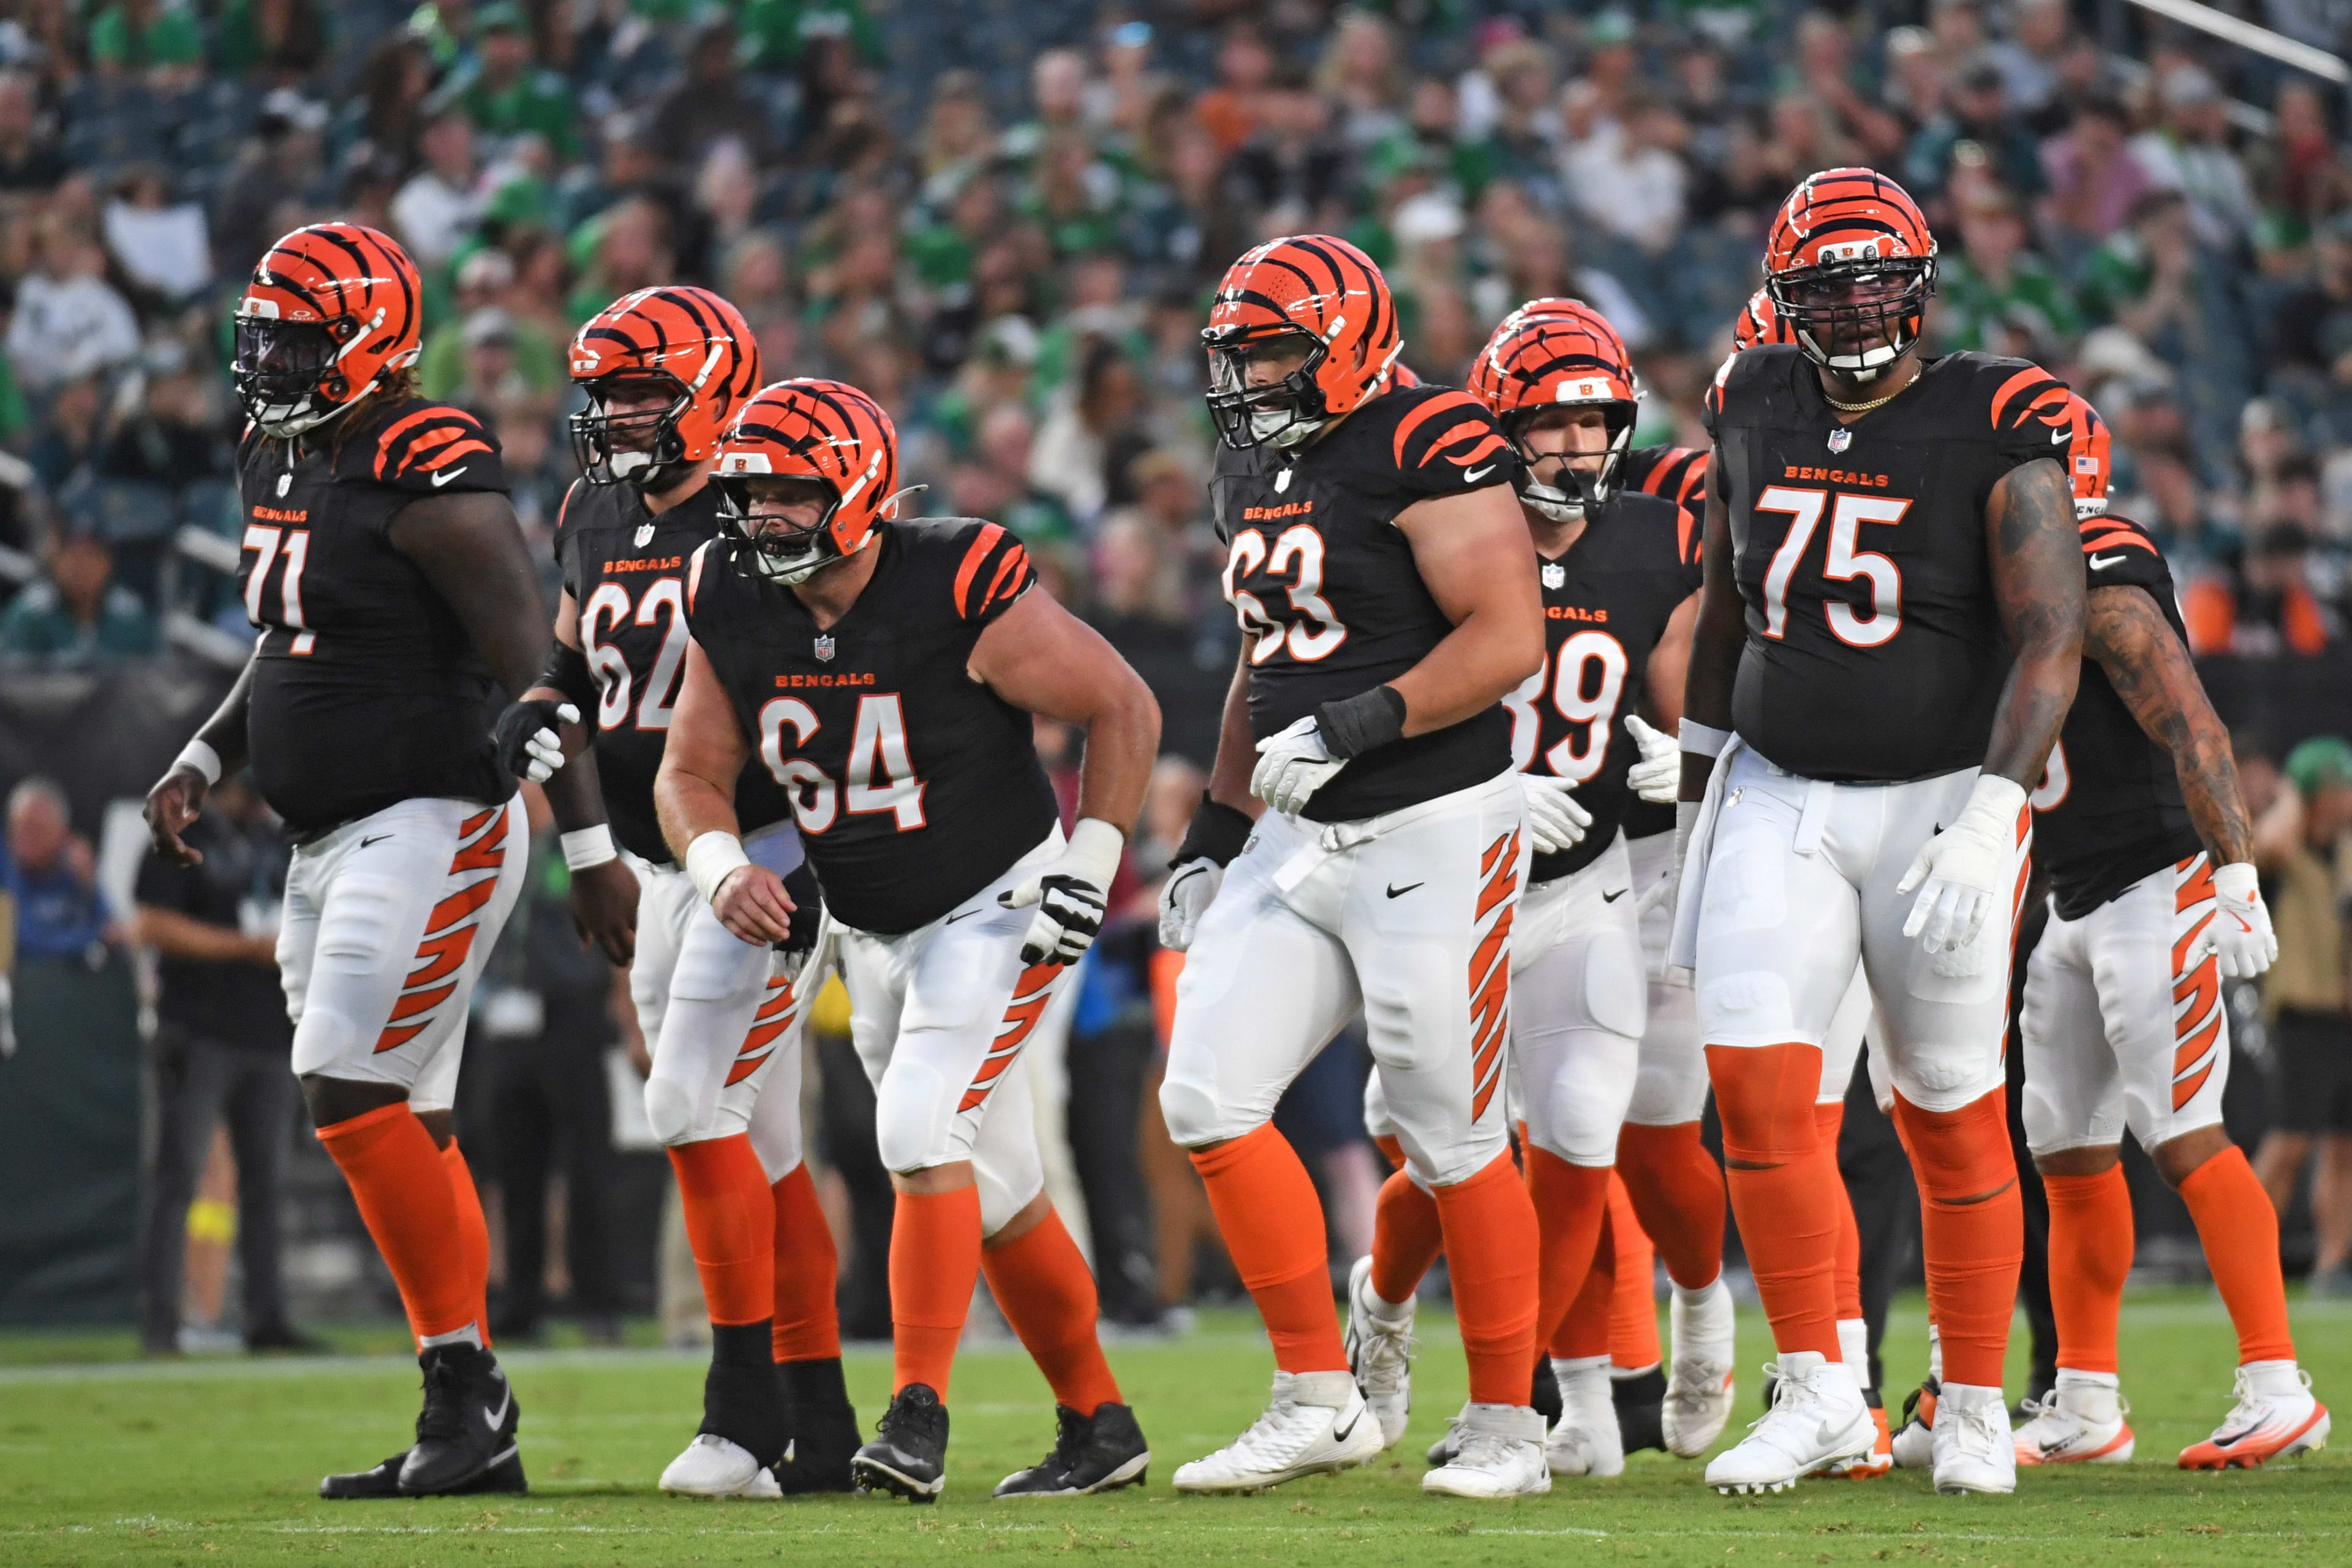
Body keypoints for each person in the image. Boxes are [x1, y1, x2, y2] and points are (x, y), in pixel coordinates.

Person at [658, 377, 1161, 1501]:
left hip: (997, 902)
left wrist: (1091, 860)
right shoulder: (730, 594)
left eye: (789, 492)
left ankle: (916, 1413)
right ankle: (1099, 1423)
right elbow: (690, 770)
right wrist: (721, 865)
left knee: (919, 1129)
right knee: (993, 1184)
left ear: (858, 491)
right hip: (867, 921)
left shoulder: (956, 579)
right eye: (749, 493)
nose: (762, 517)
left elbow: (1121, 703)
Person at [1675, 170, 2084, 1497]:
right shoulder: (1748, 396)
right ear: (1782, 302)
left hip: (1936, 802)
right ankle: (1820, 1389)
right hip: (1779, 784)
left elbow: (2052, 631)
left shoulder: (1993, 413)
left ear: (1921, 286)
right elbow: (1730, 604)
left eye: (1875, 279)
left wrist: (1992, 805)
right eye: (1824, 285)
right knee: (1753, 1088)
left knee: (1951, 1106)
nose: (1854, 307)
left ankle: (1968, 1399)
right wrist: (1694, 778)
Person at [141, 223, 545, 1500]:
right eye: (260, 334)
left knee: (343, 1087)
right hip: (328, 837)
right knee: (403, 1117)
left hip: (436, 813)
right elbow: (285, 635)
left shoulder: (431, 463)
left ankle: (466, 1388)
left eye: (297, 338)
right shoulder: (284, 449)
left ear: (372, 340)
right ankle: (467, 1404)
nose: (268, 358)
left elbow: (542, 671)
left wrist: (592, 849)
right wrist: (208, 752)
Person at [1155, 235, 1550, 1499]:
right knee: (1206, 1098)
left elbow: (1510, 636)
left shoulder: (1429, 436)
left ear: (1351, 341)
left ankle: (1507, 1427)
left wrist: (1363, 718)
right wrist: (1213, 834)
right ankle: (1318, 1396)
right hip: (1294, 830)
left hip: (1433, 821)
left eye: (1276, 350)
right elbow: (1261, 661)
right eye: (1242, 353)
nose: (1253, 375)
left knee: (1449, 1126)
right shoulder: (1253, 462)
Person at [495, 284, 860, 1499]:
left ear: (714, 387)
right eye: (607, 391)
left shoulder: (763, 502)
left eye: (645, 390)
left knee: (687, 1101)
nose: (618, 414)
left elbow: (834, 670)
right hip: (660, 867)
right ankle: (820, 1422)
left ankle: (741, 1412)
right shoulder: (595, 502)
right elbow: (572, 652)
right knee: (766, 1143)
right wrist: (548, 705)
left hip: (761, 856)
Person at [1344, 298, 1705, 1484]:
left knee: (1581, 1140)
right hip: (1449, 890)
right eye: (1545, 423)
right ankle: (1382, 1296)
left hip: (1586, 885)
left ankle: (1550, 1403)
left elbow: (1705, 680)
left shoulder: (1654, 540)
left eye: (1593, 422)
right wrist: (1490, 798)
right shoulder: (1433, 532)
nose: (1570, 446)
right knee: (1447, 1156)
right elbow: (1379, 707)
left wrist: (1695, 754)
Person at [1999, 394, 2327, 1471]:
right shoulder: (1991, 573)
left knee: (2183, 1130)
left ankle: (2278, 1383)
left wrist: (2235, 869)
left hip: (2155, 882)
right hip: (2070, 893)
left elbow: (2190, 716)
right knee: (2067, 1150)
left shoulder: (2099, 564)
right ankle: (2085, 1399)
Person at [132, 771, 312, 1356]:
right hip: (200, 1029)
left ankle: (267, 1319)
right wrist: (244, 948)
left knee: (266, 1184)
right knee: (179, 1177)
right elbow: (151, 924)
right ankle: (162, 1322)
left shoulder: (279, 839)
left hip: (268, 1033)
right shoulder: (182, 833)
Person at [2250, 737, 2352, 1298]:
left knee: (2344, 1146)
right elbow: (2270, 842)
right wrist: (2293, 788)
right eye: (2339, 788)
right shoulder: (2288, 849)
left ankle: (2332, 1266)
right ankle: (2244, 1261)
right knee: (2289, 1144)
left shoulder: (2347, 847)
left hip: (2344, 1016)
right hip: (2300, 1014)